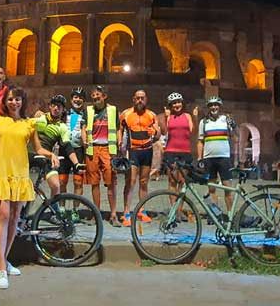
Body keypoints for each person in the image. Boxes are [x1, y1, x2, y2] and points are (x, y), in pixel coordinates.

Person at [0, 87, 57, 290]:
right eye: (10, 99)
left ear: (22, 102)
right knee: (3, 215)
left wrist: (50, 154)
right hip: (0, 171)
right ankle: (0, 267)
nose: (14, 102)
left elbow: (37, 148)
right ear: (5, 101)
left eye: (17, 99)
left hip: (20, 173)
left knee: (15, 218)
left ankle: (4, 259)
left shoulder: (29, 124)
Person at [120, 89, 160, 227]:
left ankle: (142, 210)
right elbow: (121, 131)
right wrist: (121, 149)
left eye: (142, 98)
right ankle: (126, 212)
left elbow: (158, 134)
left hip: (147, 151)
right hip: (133, 151)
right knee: (130, 182)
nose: (140, 101)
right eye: (137, 98)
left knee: (144, 182)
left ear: (146, 99)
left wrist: (155, 132)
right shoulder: (126, 114)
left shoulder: (152, 115)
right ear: (133, 99)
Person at [34, 94, 84, 202]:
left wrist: (76, 164)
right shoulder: (39, 116)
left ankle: (54, 210)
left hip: (45, 156)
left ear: (63, 110)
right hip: (29, 154)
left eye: (59, 107)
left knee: (56, 186)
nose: (56, 108)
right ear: (50, 107)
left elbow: (67, 146)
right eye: (54, 105)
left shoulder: (62, 127)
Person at [82, 86, 121, 227]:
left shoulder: (113, 110)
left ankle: (113, 215)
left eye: (97, 95)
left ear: (104, 96)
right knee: (94, 183)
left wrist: (119, 142)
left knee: (111, 183)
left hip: (108, 149)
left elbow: (117, 128)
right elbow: (84, 127)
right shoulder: (88, 110)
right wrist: (84, 140)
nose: (95, 97)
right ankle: (96, 214)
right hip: (92, 149)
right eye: (93, 95)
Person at [197, 96, 236, 214]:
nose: (214, 107)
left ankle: (230, 213)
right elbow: (200, 141)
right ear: (208, 108)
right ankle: (215, 214)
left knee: (227, 187)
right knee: (211, 188)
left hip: (223, 157)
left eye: (216, 105)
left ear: (220, 107)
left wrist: (233, 126)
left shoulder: (225, 119)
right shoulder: (203, 122)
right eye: (211, 105)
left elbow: (234, 135)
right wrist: (199, 158)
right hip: (209, 158)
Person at [160, 92, 197, 218]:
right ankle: (174, 210)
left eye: (178, 102)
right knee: (172, 181)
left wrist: (196, 117)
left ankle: (180, 210)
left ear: (182, 103)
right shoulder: (169, 117)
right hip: (171, 151)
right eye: (174, 103)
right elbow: (164, 132)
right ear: (170, 105)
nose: (177, 105)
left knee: (182, 182)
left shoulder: (187, 116)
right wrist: (165, 118)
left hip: (185, 151)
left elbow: (193, 131)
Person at [58, 87, 87, 199]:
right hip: (64, 150)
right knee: (62, 181)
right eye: (75, 97)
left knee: (78, 181)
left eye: (80, 98)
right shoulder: (64, 113)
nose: (77, 100)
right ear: (71, 100)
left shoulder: (86, 115)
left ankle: (75, 209)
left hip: (78, 150)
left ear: (83, 100)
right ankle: (61, 208)